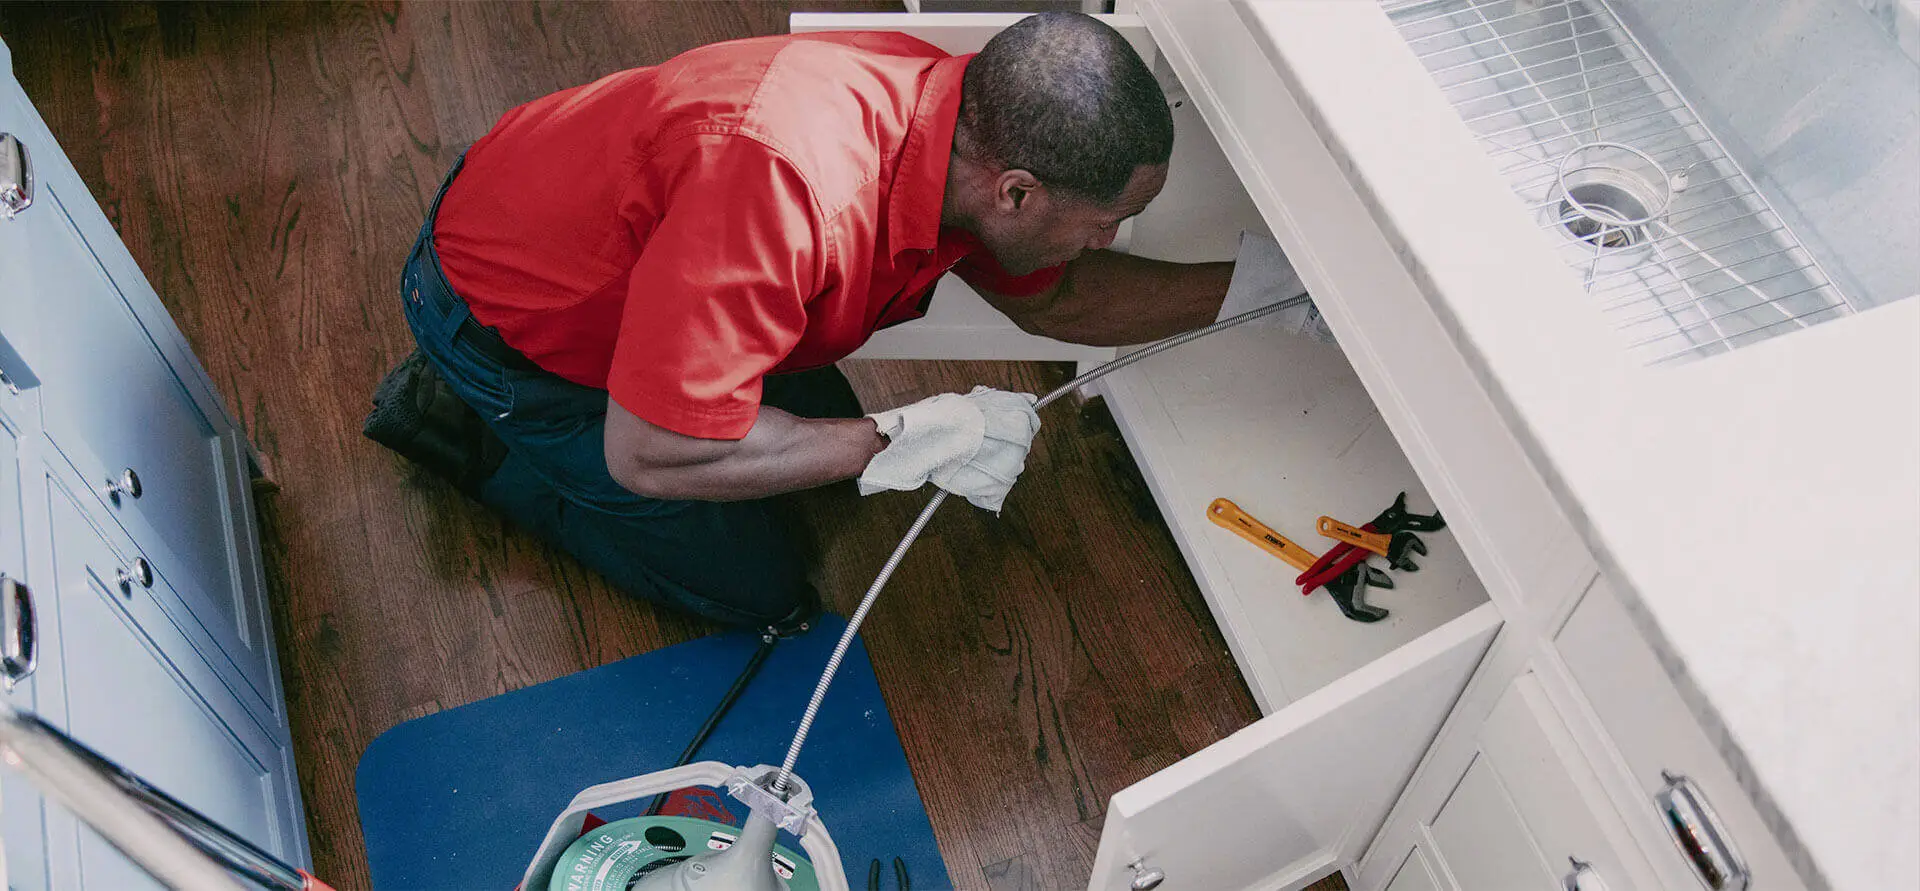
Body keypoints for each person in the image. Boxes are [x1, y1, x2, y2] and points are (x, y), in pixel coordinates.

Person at [363, 12, 1319, 632]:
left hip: (652, 263)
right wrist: (892, 436)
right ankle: (456, 422)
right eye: (1110, 218)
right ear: (1019, 193)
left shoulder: (968, 127)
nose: (1110, 238)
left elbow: (1066, 298)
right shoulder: (787, 192)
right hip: (512, 326)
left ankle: (693, 386)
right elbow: (645, 451)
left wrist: (1265, 290)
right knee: (759, 589)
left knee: (802, 472)